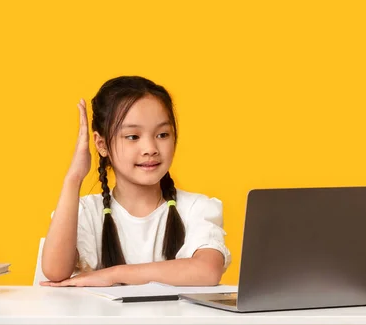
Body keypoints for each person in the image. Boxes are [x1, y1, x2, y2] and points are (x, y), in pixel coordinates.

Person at [40, 76, 231, 287]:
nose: (150, 148)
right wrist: (73, 178)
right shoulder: (87, 213)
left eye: (162, 134)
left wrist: (113, 274)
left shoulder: (196, 208)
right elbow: (55, 271)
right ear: (102, 144)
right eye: (133, 137)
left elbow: (207, 271)